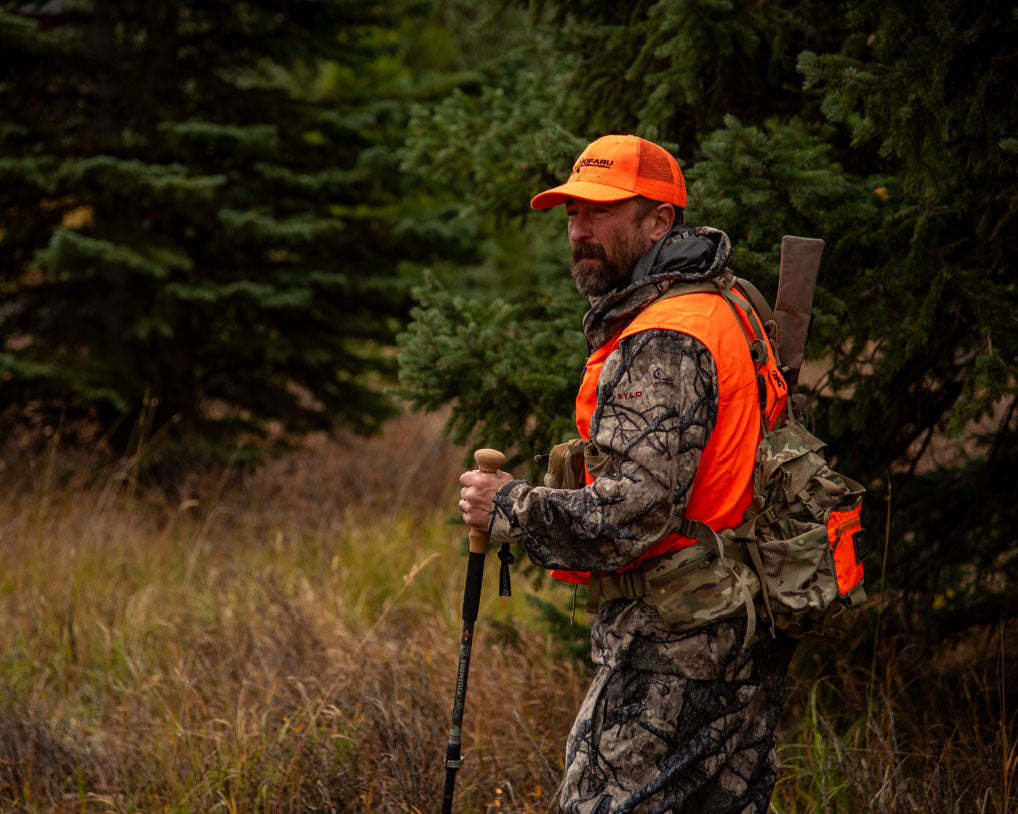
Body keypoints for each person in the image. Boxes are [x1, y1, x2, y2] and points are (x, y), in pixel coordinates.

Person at [458, 134, 796, 813]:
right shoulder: (726, 305)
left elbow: (635, 514)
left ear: (659, 221)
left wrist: (511, 506)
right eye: (573, 214)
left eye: (602, 212)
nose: (580, 230)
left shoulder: (667, 337)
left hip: (678, 641)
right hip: (739, 624)